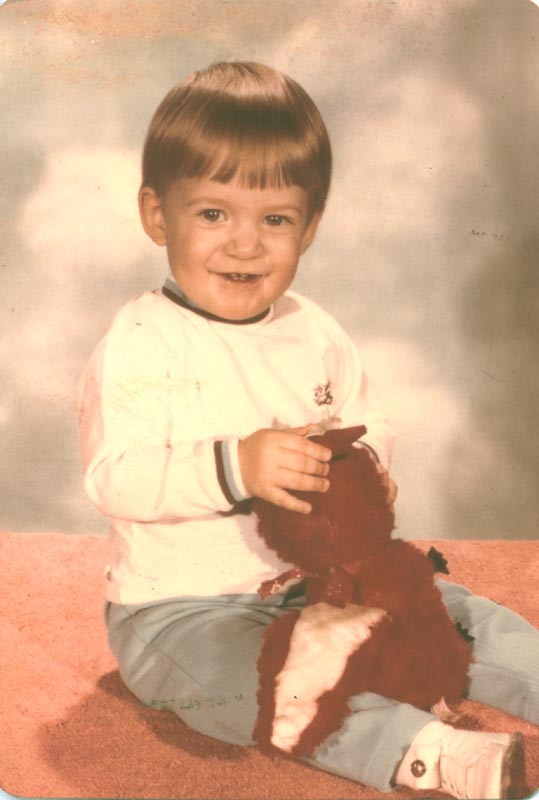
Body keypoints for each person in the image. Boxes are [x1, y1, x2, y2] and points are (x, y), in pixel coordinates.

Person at [78, 61, 537, 799]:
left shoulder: (313, 330)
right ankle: (423, 751)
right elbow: (115, 476)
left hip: (322, 585)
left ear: (310, 227)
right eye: (213, 214)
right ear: (157, 215)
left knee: (451, 612)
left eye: (275, 220)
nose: (245, 245)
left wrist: (367, 465)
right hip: (182, 610)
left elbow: (364, 416)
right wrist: (235, 466)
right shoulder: (141, 341)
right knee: (252, 685)